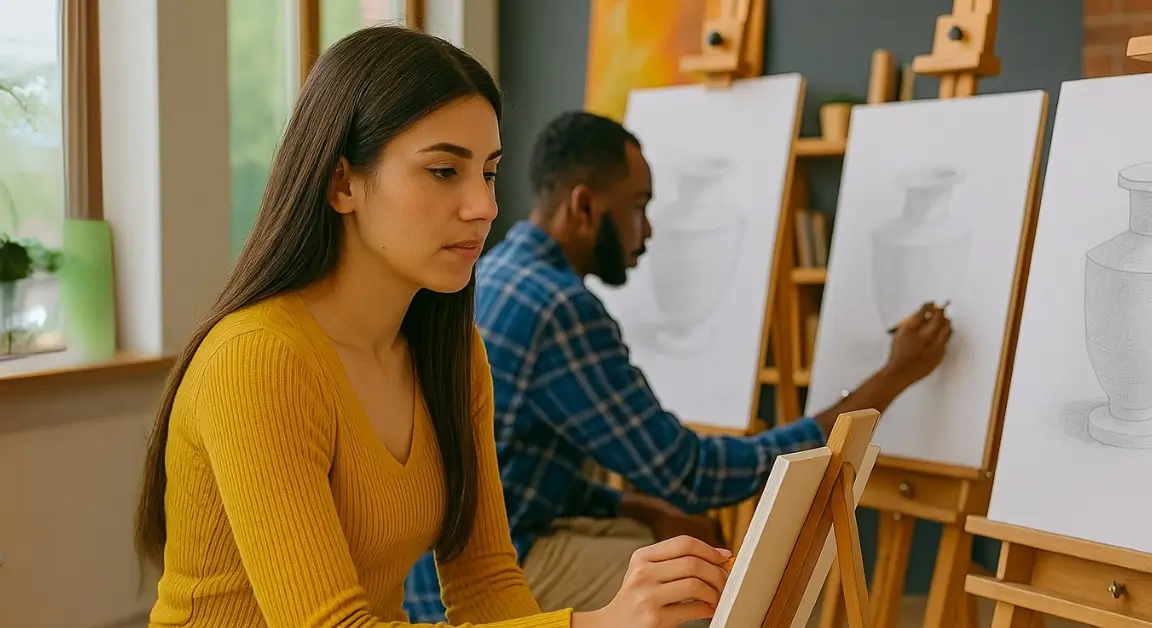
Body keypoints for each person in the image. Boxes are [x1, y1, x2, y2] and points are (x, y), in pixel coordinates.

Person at [135, 29, 735, 628]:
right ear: (342, 183)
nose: (484, 206)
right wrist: (597, 624)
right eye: (444, 171)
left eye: (489, 173)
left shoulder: (449, 350)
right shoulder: (256, 361)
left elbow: (487, 583)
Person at [403, 111, 953, 621]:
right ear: (585, 206)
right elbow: (692, 475)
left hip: (437, 565)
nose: (646, 230)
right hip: (473, 582)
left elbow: (517, 474)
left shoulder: (498, 272)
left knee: (672, 543)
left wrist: (634, 506)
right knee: (705, 584)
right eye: (638, 205)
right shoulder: (558, 308)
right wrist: (893, 376)